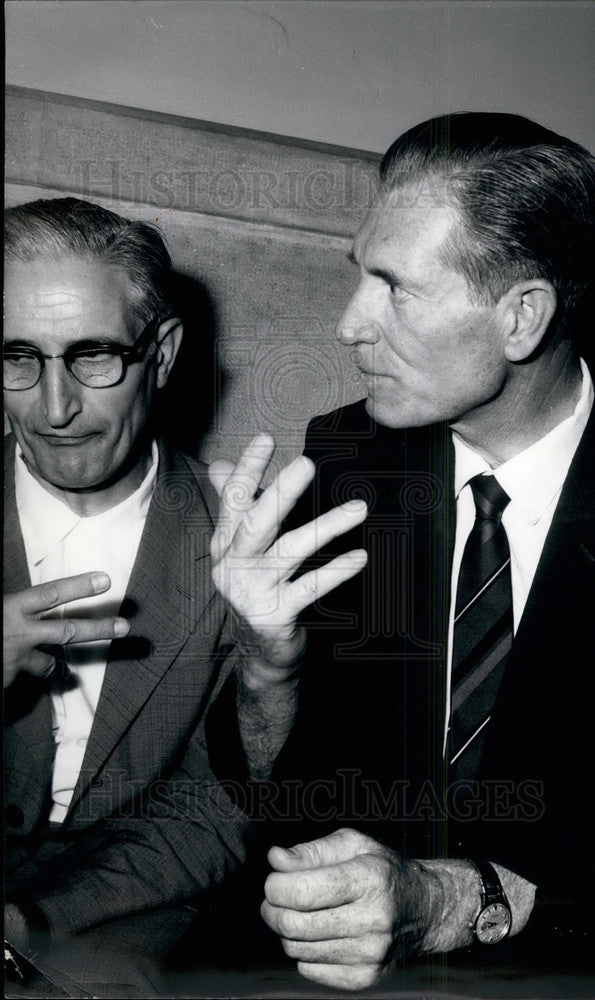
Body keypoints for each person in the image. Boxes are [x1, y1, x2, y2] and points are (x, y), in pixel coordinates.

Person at [208, 113, 595, 990]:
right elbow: (276, 799)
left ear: (522, 317)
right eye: (359, 277)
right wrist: (268, 667)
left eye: (395, 288)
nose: (348, 324)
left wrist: (465, 901)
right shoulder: (350, 461)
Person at [3, 197, 252, 997]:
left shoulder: (240, 543)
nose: (53, 408)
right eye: (17, 356)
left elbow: (217, 810)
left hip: (124, 918)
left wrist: (33, 925)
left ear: (165, 351)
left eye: (94, 356)